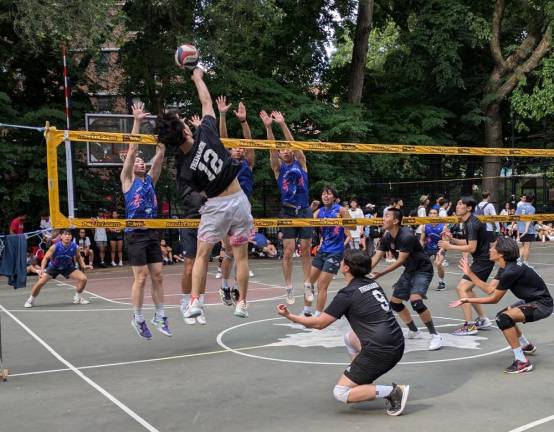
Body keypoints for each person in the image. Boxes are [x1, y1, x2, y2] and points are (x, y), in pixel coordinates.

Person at [155, 67, 253, 319]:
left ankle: (196, 301)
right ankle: (242, 303)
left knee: (202, 255)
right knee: (241, 256)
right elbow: (207, 101)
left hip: (217, 206)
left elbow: (190, 193)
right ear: (186, 130)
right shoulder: (207, 132)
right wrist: (197, 77)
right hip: (239, 200)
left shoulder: (185, 169)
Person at [276, 249, 409, 416]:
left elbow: (319, 324)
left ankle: (393, 391)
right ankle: (362, 382)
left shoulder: (348, 294)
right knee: (349, 338)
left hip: (381, 350)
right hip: (396, 341)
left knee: (341, 392)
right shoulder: (373, 284)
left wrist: (289, 316)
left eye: (343, 261)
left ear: (346, 268)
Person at [451, 237, 553, 373]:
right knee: (503, 315)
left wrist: (468, 300)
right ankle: (526, 345)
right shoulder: (505, 266)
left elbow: (494, 299)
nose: (490, 249)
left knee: (503, 318)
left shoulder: (511, 271)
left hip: (541, 304)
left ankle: (522, 362)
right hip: (531, 301)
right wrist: (469, 273)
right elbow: (489, 289)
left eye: (493, 247)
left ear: (501, 253)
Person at [122, 101, 169, 340]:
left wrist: (162, 137)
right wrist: (138, 121)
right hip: (135, 233)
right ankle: (137, 317)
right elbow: (131, 151)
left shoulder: (150, 180)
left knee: (158, 275)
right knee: (140, 277)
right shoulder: (127, 179)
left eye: (143, 161)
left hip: (152, 231)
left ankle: (160, 315)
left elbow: (160, 155)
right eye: (138, 161)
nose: (140, 162)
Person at [371, 208, 443, 350]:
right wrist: (363, 270)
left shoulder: (406, 236)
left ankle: (435, 335)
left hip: (423, 269)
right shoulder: (386, 236)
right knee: (395, 303)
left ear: (396, 221)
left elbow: (399, 261)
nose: (382, 219)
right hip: (409, 270)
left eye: (386, 216)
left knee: (416, 301)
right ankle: (414, 331)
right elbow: (376, 256)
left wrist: (380, 274)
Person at [262, 109, 313, 305]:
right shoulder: (278, 168)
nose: (285, 150)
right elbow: (271, 148)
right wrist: (268, 128)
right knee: (289, 250)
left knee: (306, 249)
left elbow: (294, 145)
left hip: (305, 210)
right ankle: (289, 287)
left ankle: (308, 285)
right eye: (281, 149)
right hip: (288, 210)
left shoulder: (301, 162)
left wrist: (282, 124)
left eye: (287, 148)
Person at [216, 97, 256, 305]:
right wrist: (222, 115)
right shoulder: (227, 161)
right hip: (226, 208)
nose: (239, 149)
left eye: (242, 147)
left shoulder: (247, 163)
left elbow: (250, 144)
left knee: (241, 252)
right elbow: (223, 141)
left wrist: (243, 121)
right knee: (228, 251)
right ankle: (224, 286)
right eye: (236, 147)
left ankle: (239, 291)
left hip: (244, 210)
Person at [438, 196, 494, 335]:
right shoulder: (470, 222)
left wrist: (449, 246)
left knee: (461, 288)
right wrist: (451, 239)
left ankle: (469, 326)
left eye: (461, 204)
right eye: (457, 203)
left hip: (484, 261)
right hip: (482, 260)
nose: (457, 206)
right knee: (467, 290)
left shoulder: (471, 224)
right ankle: (483, 320)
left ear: (469, 208)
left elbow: (471, 248)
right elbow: (468, 243)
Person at [303, 186, 351, 317]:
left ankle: (318, 314)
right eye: (323, 194)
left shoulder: (341, 210)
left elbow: (352, 226)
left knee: (321, 285)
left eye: (328, 194)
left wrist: (343, 219)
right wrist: (311, 209)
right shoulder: (319, 211)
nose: (325, 196)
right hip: (322, 250)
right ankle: (306, 311)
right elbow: (307, 223)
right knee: (308, 283)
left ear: (334, 197)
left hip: (335, 252)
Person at [24, 229, 92, 308]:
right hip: (54, 267)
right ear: (61, 237)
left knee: (83, 279)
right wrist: (42, 270)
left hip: (68, 267)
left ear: (71, 237)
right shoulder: (55, 247)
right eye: (65, 234)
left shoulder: (74, 246)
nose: (67, 236)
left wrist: (83, 265)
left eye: (69, 235)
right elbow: (45, 258)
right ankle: (31, 300)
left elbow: (79, 257)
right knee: (40, 283)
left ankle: (77, 297)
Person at [420, 208, 446, 291]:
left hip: (439, 248)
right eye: (431, 213)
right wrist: (420, 248)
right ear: (428, 215)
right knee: (420, 264)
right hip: (428, 248)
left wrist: (441, 250)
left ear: (437, 215)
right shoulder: (425, 226)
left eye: (434, 213)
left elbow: (445, 241)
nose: (432, 215)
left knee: (438, 264)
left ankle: (441, 282)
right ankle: (420, 281)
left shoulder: (443, 226)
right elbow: (422, 239)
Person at [516, 194, 536, 266]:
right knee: (527, 247)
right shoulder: (532, 208)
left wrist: (518, 228)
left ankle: (518, 259)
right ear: (532, 200)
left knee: (523, 246)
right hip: (528, 230)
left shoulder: (520, 207)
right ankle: (525, 263)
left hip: (521, 229)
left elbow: (516, 217)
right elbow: (529, 220)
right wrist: (526, 229)